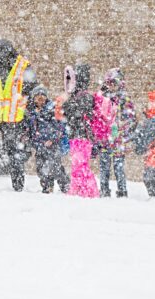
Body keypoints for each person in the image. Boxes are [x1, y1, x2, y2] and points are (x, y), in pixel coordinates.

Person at [0, 39, 38, 191]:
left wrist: (28, 118)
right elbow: (3, 97)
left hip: (20, 121)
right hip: (8, 122)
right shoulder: (4, 72)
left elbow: (32, 94)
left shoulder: (22, 69)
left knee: (18, 155)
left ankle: (19, 185)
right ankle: (17, 184)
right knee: (13, 153)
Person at [95, 68, 137, 198]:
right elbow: (97, 117)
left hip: (118, 140)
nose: (111, 86)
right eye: (109, 83)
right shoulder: (102, 98)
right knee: (104, 167)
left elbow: (131, 119)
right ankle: (104, 190)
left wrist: (123, 133)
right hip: (105, 139)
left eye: (114, 83)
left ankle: (122, 191)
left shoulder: (124, 99)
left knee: (119, 168)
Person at [62, 64, 99, 198]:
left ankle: (89, 191)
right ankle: (78, 188)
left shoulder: (85, 97)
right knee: (77, 165)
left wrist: (68, 102)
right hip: (76, 136)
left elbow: (75, 113)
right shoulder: (78, 96)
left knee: (81, 165)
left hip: (83, 136)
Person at [28, 86, 70, 193]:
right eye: (37, 96)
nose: (40, 98)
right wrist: (35, 142)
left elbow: (60, 127)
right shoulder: (32, 113)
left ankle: (65, 186)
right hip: (40, 145)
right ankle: (47, 186)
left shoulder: (52, 110)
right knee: (41, 168)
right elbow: (32, 131)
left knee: (56, 167)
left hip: (52, 144)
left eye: (42, 96)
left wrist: (53, 139)